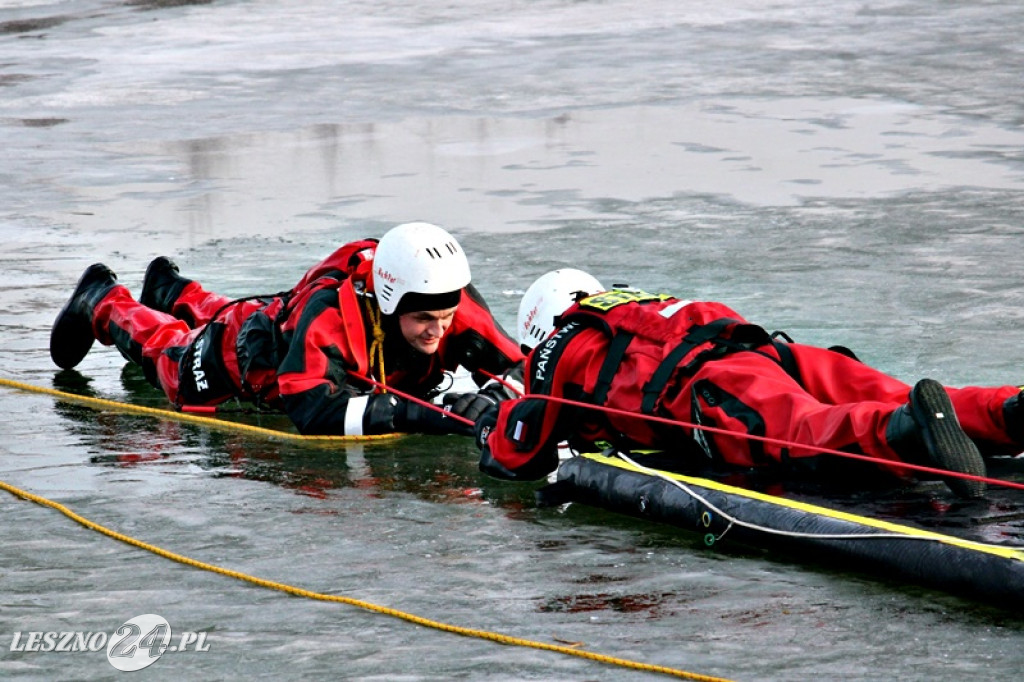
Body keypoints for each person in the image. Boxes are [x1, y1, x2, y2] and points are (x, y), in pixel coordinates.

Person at [476, 269, 1024, 499]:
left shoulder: (557, 347)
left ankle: (904, 433)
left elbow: (518, 454)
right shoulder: (633, 304)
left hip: (713, 388)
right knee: (885, 389)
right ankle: (1006, 411)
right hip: (768, 352)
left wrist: (487, 425)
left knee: (806, 433)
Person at [50, 222, 523, 436]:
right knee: (169, 357)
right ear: (387, 300)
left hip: (280, 319)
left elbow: (522, 369)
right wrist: (419, 415)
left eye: (445, 318)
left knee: (242, 311)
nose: (437, 331)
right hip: (243, 357)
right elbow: (313, 411)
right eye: (422, 320)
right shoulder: (331, 318)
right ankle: (103, 300)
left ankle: (171, 290)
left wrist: (495, 399)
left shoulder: (448, 298)